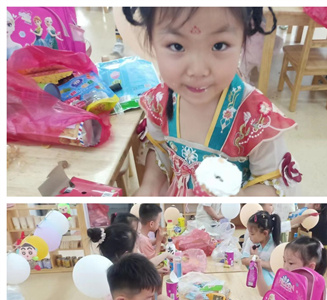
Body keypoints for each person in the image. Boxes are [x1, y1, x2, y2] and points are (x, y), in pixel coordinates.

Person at [122, 7, 302, 196]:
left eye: (219, 45)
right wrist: (149, 186)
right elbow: (160, 150)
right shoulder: (159, 101)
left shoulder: (256, 119)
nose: (198, 71)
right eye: (176, 46)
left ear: (243, 40)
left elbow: (271, 184)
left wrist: (235, 199)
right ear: (152, 41)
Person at [256, 236, 327, 300]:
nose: (285, 267)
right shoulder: (286, 280)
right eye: (284, 261)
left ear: (310, 267)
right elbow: (265, 292)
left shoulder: (316, 292)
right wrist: (258, 272)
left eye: (291, 263)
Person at [241, 210, 281, 286]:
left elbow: (274, 266)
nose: (249, 236)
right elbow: (243, 260)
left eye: (252, 234)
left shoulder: (276, 245)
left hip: (269, 281)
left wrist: (256, 260)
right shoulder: (251, 241)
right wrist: (254, 258)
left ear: (265, 233)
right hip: (252, 278)